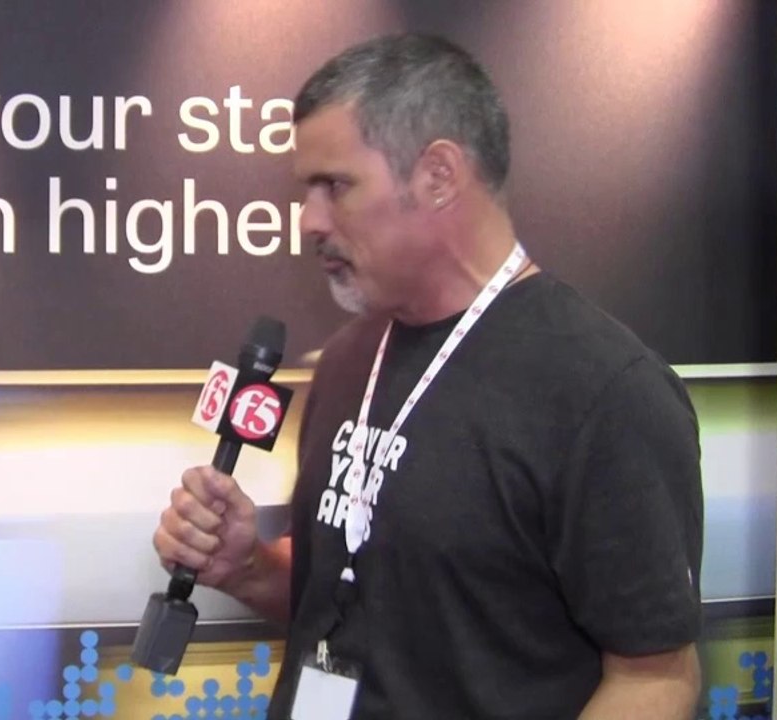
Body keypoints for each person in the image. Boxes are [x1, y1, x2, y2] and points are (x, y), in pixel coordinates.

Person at [153, 34, 703, 719]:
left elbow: (656, 678)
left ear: (439, 175)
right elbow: (361, 594)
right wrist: (249, 568)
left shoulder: (605, 393)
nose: (309, 220)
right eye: (306, 191)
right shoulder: (349, 360)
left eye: (335, 186)